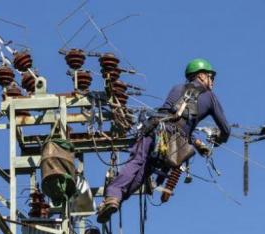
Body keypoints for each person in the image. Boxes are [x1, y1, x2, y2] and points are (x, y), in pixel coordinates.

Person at [96, 58, 231, 223]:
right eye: (211, 77)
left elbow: (173, 118)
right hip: (172, 144)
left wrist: (196, 143)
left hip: (156, 130)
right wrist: (219, 139)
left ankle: (113, 198)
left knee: (137, 162)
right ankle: (117, 199)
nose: (213, 82)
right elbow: (225, 129)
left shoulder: (177, 88)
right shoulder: (210, 98)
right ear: (202, 76)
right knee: (143, 174)